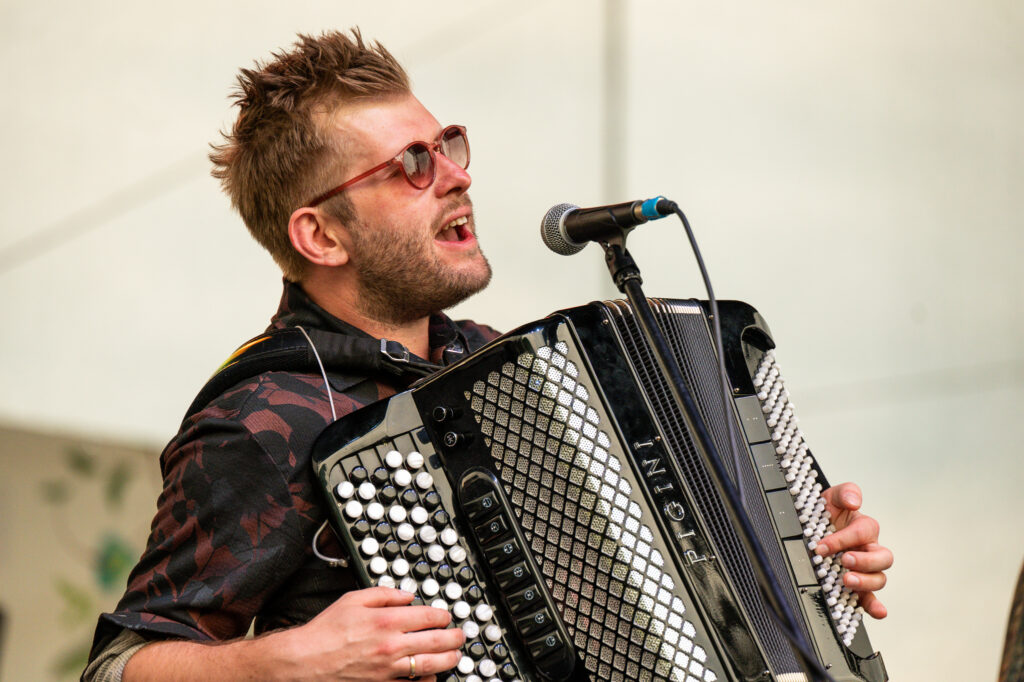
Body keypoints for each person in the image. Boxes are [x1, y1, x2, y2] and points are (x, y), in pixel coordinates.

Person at [83, 29, 892, 682]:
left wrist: (804, 561)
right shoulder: (262, 418)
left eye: (449, 145)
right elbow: (118, 666)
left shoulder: (508, 368)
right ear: (320, 234)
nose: (456, 178)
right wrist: (280, 665)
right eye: (411, 165)